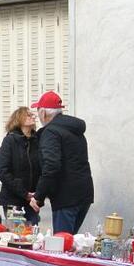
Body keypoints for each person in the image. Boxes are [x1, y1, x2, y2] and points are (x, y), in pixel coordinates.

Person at [28, 91, 94, 234]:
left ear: (43, 113)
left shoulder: (51, 132)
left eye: (38, 111)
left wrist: (38, 197)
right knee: (70, 241)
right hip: (84, 194)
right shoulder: (74, 130)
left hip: (66, 197)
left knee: (62, 243)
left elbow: (51, 166)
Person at [0, 106, 41, 224]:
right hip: (13, 200)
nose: (33, 116)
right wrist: (24, 193)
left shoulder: (37, 140)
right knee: (17, 237)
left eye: (33, 115)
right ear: (19, 119)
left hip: (32, 200)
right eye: (28, 115)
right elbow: (3, 171)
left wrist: (38, 193)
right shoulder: (10, 141)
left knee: (32, 235)